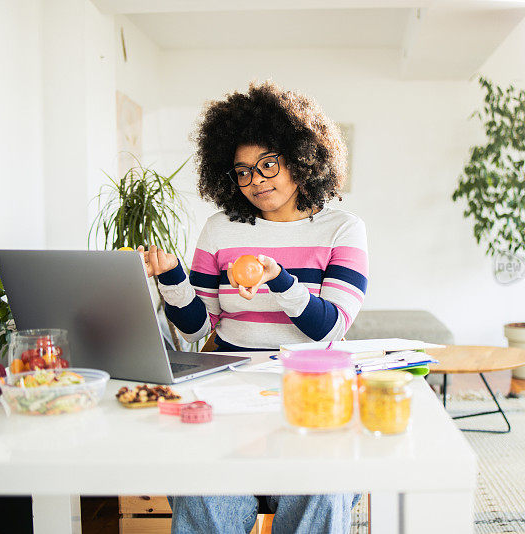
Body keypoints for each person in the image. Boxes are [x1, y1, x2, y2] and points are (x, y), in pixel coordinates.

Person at [139, 81, 368, 534]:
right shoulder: (220, 230)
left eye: (268, 164)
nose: (256, 180)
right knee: (200, 481)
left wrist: (279, 278)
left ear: (302, 158)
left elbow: (328, 329)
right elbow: (195, 328)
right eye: (242, 171)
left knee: (323, 484)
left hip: (309, 390)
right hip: (227, 385)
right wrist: (170, 276)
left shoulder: (343, 228)